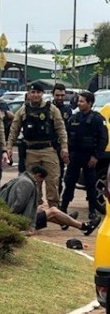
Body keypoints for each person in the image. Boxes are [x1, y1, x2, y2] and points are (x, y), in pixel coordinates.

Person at [5, 81, 68, 209]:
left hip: (48, 150)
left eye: (38, 92)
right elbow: (14, 130)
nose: (35, 95)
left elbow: (61, 129)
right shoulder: (23, 111)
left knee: (53, 181)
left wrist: (64, 146)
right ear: (28, 94)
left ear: (42, 94)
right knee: (33, 183)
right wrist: (9, 148)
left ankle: (55, 209)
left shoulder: (52, 109)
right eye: (32, 92)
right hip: (31, 152)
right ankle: (36, 211)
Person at [0, 164, 99, 236]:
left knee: (43, 210)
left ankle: (65, 221)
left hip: (15, 215)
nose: (40, 183)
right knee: (53, 211)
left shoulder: (20, 178)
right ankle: (83, 226)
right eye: (41, 180)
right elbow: (18, 205)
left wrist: (34, 208)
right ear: (37, 175)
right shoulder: (27, 183)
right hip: (18, 220)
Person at [61, 91, 109, 220]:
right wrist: (66, 152)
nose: (79, 103)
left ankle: (92, 211)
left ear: (90, 103)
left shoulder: (97, 119)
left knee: (91, 184)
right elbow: (66, 135)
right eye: (79, 101)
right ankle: (64, 208)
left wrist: (96, 156)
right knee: (69, 182)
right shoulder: (74, 118)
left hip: (90, 156)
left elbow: (103, 139)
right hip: (75, 155)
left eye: (82, 101)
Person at [52, 83, 73, 194]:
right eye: (57, 95)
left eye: (62, 95)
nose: (60, 98)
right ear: (53, 95)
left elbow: (69, 130)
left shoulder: (67, 110)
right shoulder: (48, 108)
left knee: (58, 176)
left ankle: (57, 200)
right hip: (49, 146)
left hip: (62, 147)